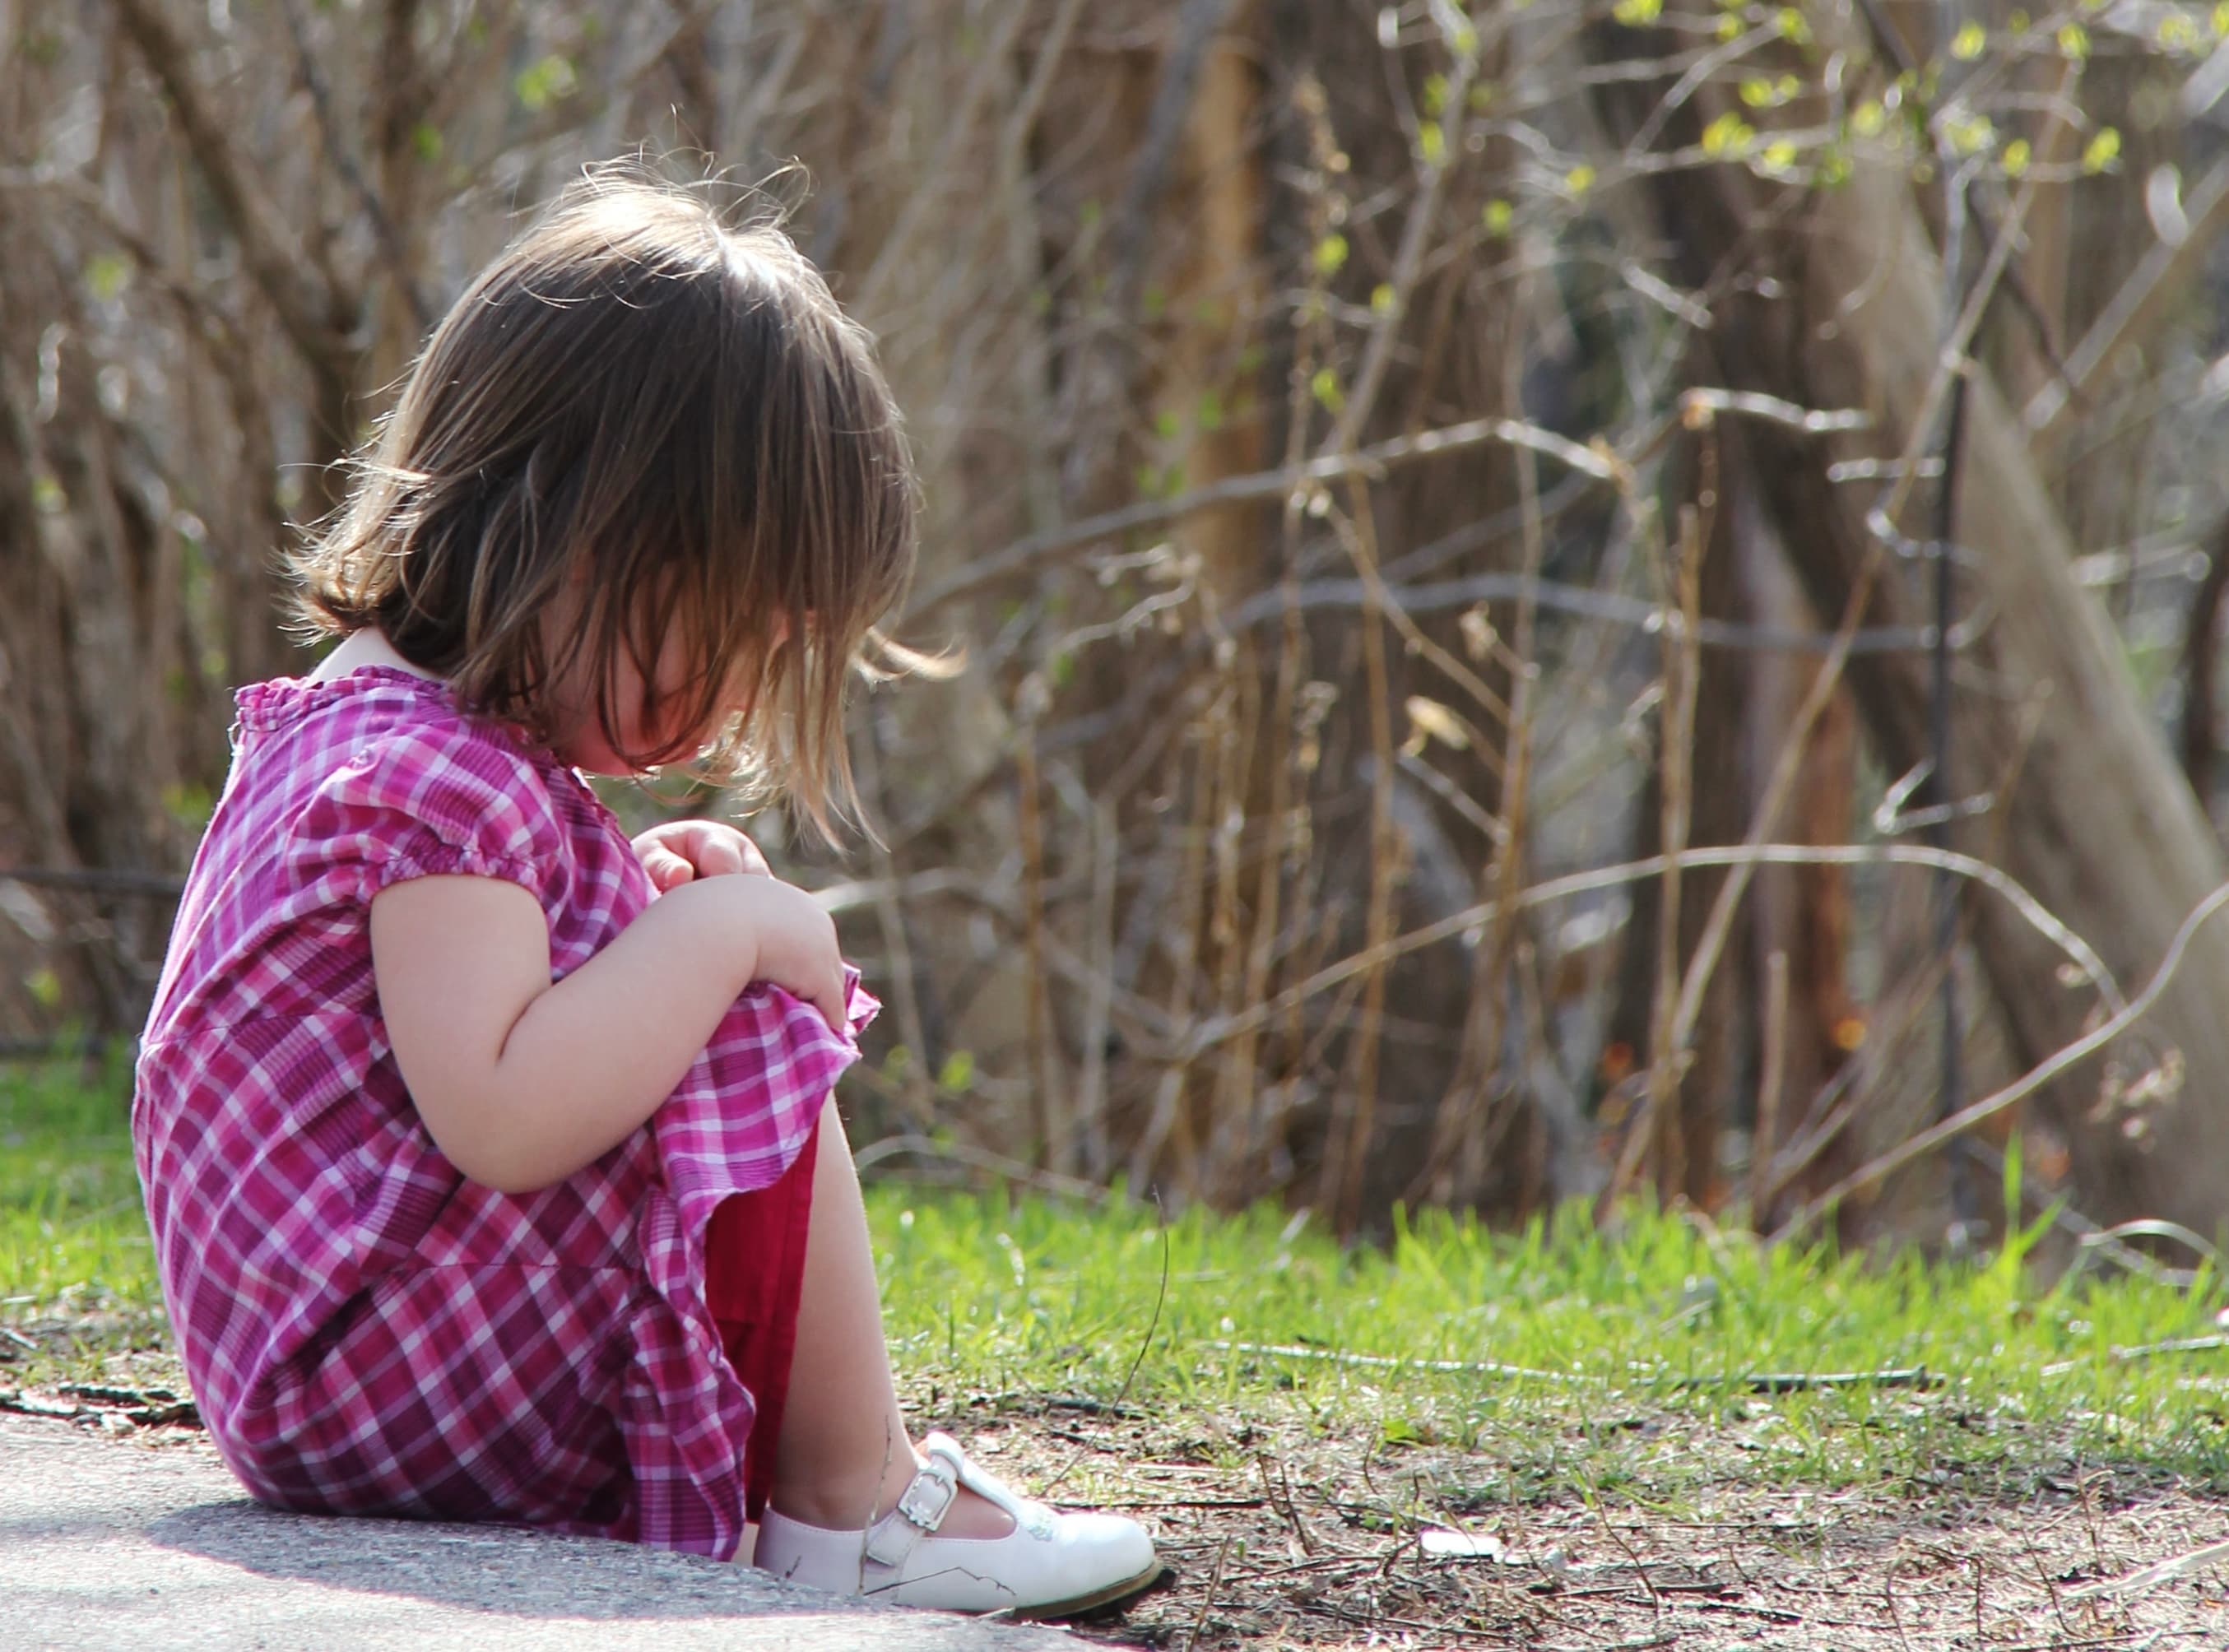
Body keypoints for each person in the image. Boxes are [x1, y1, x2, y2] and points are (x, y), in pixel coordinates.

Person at [132, 168, 1159, 1619]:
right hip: (377, 1389)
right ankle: (856, 1503)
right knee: (756, 1024)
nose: (734, 701)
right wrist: (714, 936)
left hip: (329, 1367)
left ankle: (848, 1485)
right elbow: (500, 1114)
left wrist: (646, 916)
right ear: (577, 533)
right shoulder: (443, 783)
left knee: (711, 984)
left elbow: (430, 1058)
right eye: (725, 635)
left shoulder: (366, 731)